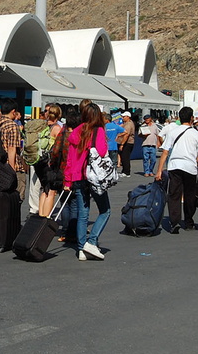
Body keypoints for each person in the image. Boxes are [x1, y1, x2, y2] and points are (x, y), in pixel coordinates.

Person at [62, 103, 110, 261]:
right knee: (105, 210)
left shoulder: (76, 131)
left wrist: (68, 180)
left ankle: (82, 248)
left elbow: (70, 159)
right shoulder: (98, 131)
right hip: (94, 176)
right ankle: (92, 241)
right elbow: (102, 152)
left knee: (83, 214)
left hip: (78, 177)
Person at [154, 106, 198, 233]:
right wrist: (194, 160)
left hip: (175, 166)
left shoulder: (173, 132)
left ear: (179, 118)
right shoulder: (196, 134)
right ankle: (189, 221)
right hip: (190, 168)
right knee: (190, 195)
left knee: (174, 195)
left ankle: (174, 222)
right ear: (191, 118)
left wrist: (159, 170)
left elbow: (165, 152)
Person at [0, 97, 28, 204]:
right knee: (16, 198)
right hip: (12, 165)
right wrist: (12, 170)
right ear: (13, 111)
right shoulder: (12, 126)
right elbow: (12, 148)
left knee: (2, 199)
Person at [35, 103, 65, 217]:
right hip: (50, 162)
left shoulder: (42, 126)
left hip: (40, 161)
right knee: (52, 191)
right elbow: (59, 146)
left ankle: (41, 214)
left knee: (44, 189)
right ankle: (46, 216)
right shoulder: (57, 128)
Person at [116, 111, 135, 177]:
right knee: (123, 157)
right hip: (125, 142)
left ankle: (126, 172)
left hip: (127, 143)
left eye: (124, 116)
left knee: (125, 157)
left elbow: (126, 134)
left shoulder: (128, 124)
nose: (122, 118)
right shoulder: (125, 123)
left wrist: (122, 144)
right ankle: (124, 171)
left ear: (128, 117)